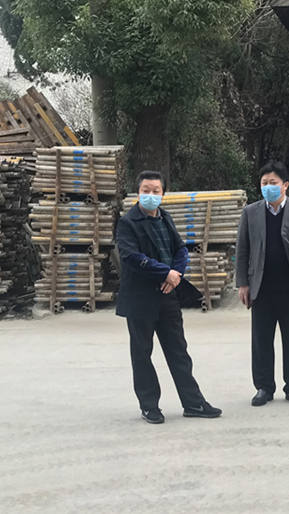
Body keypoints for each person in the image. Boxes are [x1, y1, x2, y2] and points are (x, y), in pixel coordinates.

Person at [116, 170, 221, 424]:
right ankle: (149, 406)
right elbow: (131, 257)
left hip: (168, 296)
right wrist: (166, 273)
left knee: (179, 351)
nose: (150, 195)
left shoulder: (165, 218)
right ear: (138, 192)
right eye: (146, 190)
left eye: (156, 191)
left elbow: (180, 249)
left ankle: (193, 403)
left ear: (163, 194)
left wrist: (176, 274)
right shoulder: (127, 223)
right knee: (142, 354)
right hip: (140, 298)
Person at [236, 162, 289, 407]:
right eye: (264, 183)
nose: (268, 187)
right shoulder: (250, 212)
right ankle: (264, 387)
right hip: (261, 286)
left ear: (285, 185)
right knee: (261, 340)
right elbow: (242, 250)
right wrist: (243, 284)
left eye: (273, 183)